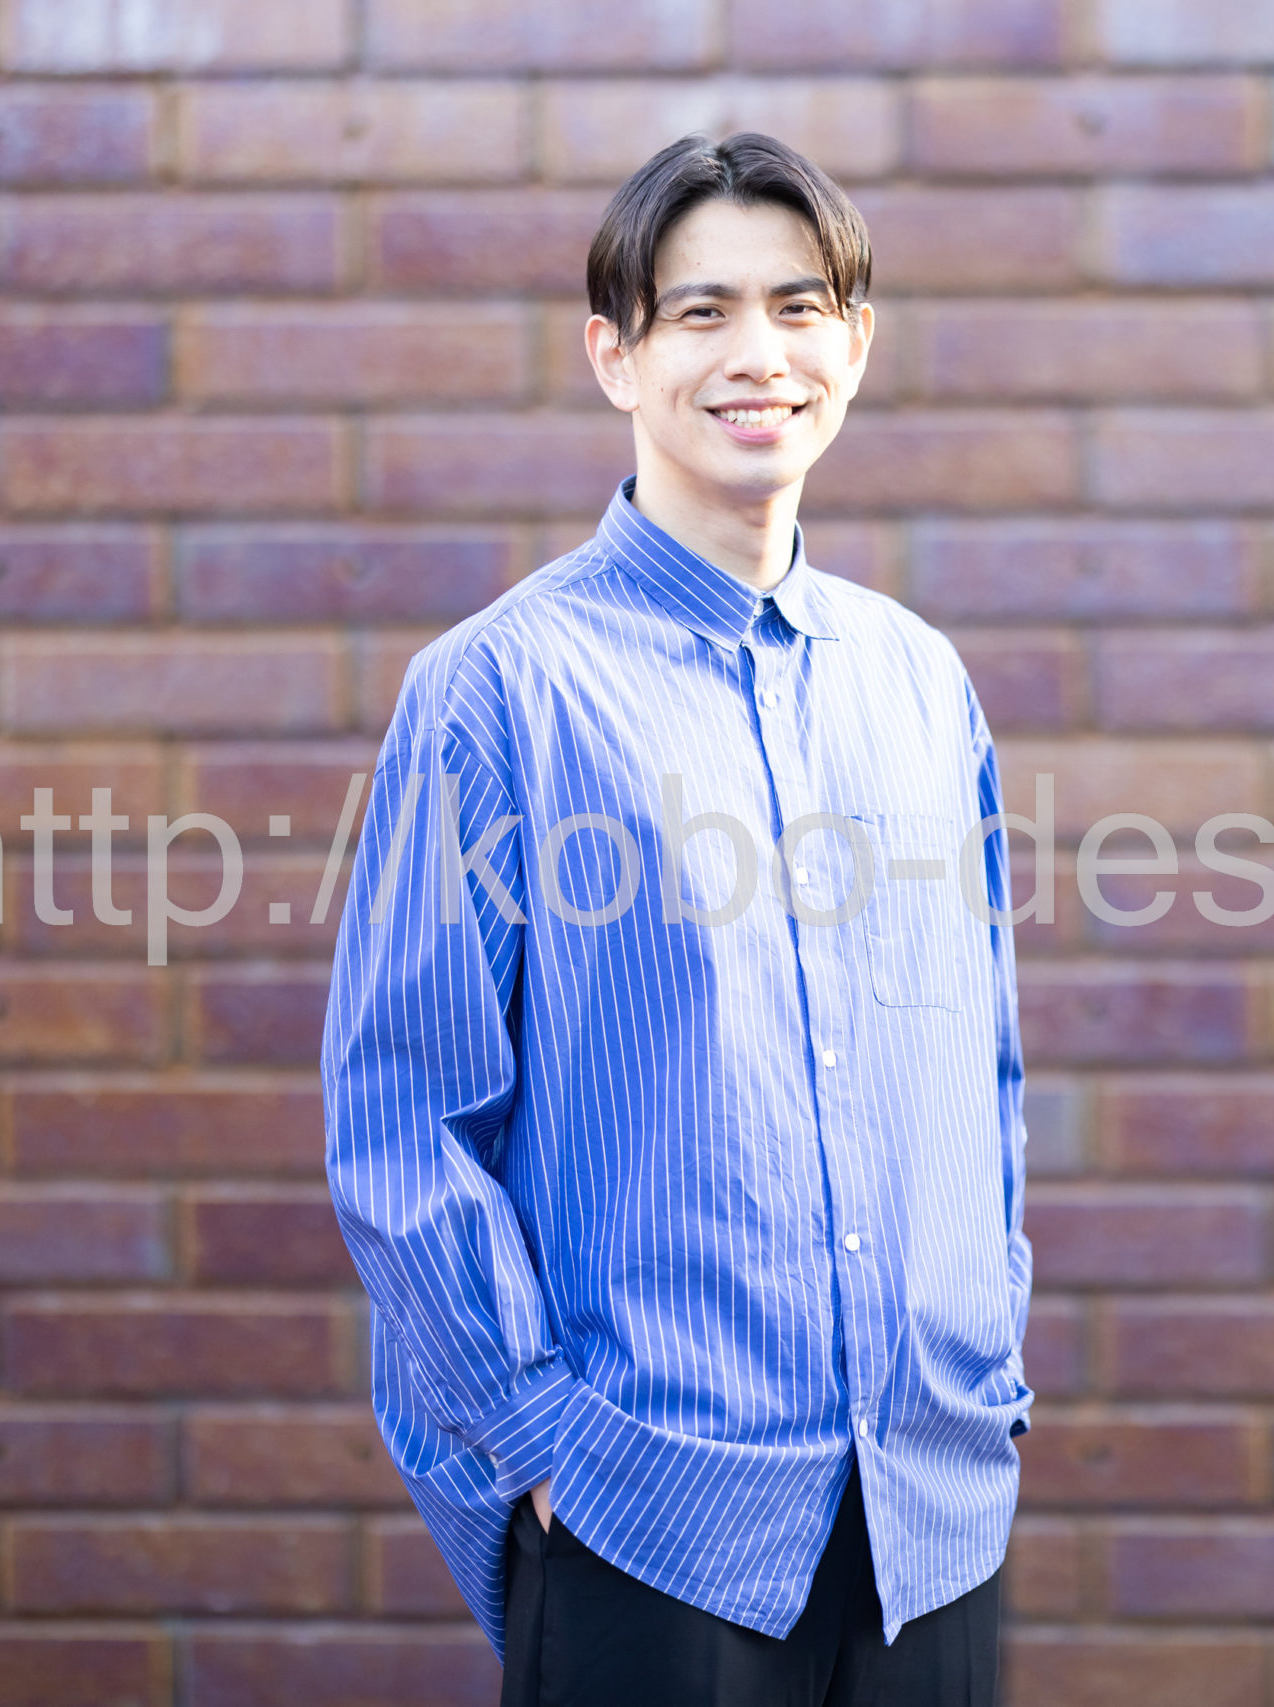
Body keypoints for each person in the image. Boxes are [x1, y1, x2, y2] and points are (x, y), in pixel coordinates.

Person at [320, 130, 1030, 1706]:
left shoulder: (920, 683)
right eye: (702, 312)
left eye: (799, 306)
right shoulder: (497, 691)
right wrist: (540, 1443)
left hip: (929, 1520)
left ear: (856, 344)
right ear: (615, 357)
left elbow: (978, 1077)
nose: (758, 354)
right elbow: (402, 1123)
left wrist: (987, 1371)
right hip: (648, 1526)